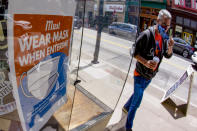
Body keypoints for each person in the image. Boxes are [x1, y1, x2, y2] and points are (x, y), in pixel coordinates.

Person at [123, 9, 174, 131]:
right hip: (140, 74)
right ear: (157, 21)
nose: (166, 29)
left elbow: (167, 55)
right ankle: (128, 127)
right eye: (164, 25)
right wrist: (146, 62)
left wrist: (171, 47)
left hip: (150, 76)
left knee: (136, 95)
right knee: (137, 103)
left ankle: (125, 107)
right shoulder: (146, 34)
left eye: (168, 26)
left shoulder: (164, 38)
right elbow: (133, 52)